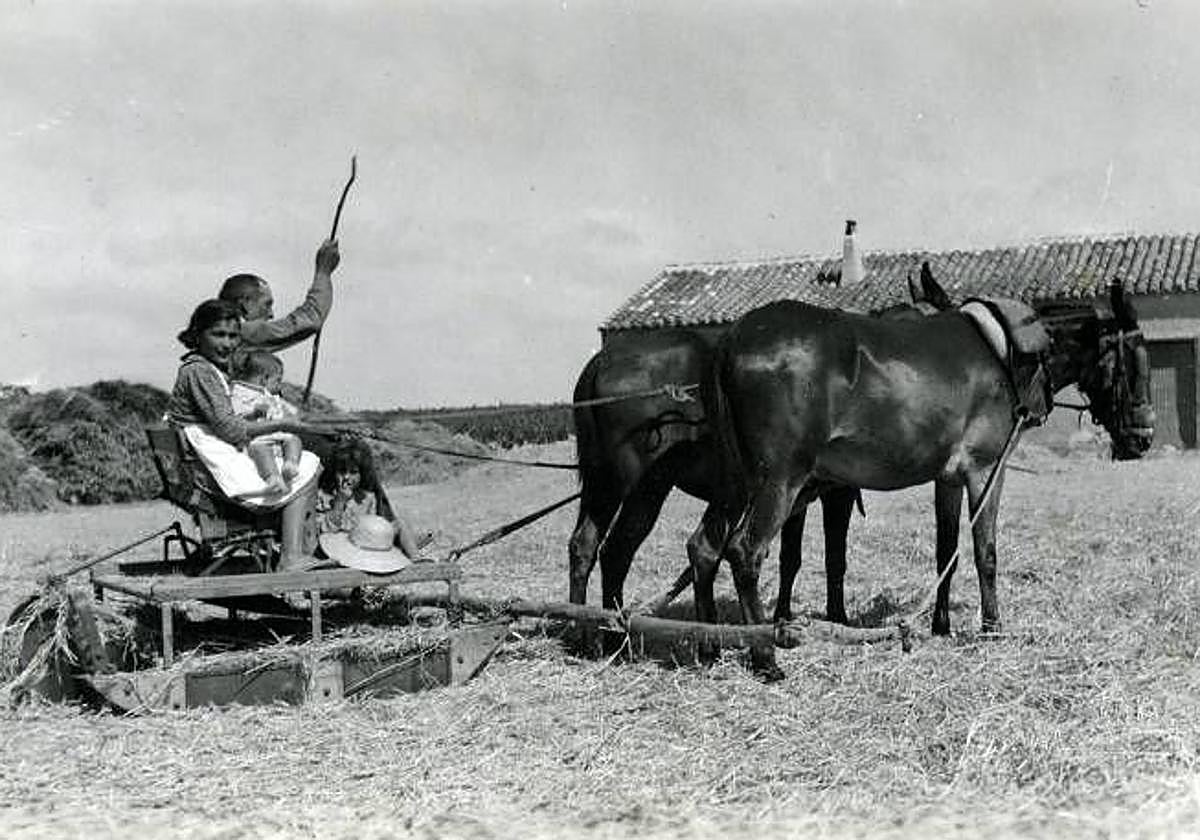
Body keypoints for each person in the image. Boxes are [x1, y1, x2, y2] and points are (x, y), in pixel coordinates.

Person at [217, 236, 427, 555]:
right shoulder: (243, 331)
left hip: (248, 437)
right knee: (351, 455)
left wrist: (330, 424)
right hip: (257, 443)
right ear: (245, 306)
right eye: (267, 304)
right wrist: (323, 272)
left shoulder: (229, 337)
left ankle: (372, 526)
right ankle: (381, 532)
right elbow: (308, 320)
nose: (272, 312)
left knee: (340, 443)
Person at [166, 299, 322, 571]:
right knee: (307, 465)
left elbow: (227, 421)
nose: (226, 344)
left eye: (233, 336)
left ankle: (296, 549)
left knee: (292, 461)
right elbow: (232, 430)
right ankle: (292, 555)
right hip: (211, 469)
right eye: (218, 335)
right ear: (197, 334)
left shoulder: (206, 369)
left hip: (206, 458)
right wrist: (286, 425)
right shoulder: (200, 372)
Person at [230, 351, 303, 497]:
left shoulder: (272, 396)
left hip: (277, 437)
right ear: (264, 379)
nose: (280, 385)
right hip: (257, 439)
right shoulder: (239, 393)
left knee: (294, 439)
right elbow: (233, 417)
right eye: (278, 381)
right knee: (261, 450)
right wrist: (253, 413)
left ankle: (290, 464)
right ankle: (272, 478)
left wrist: (292, 415)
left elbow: (290, 412)